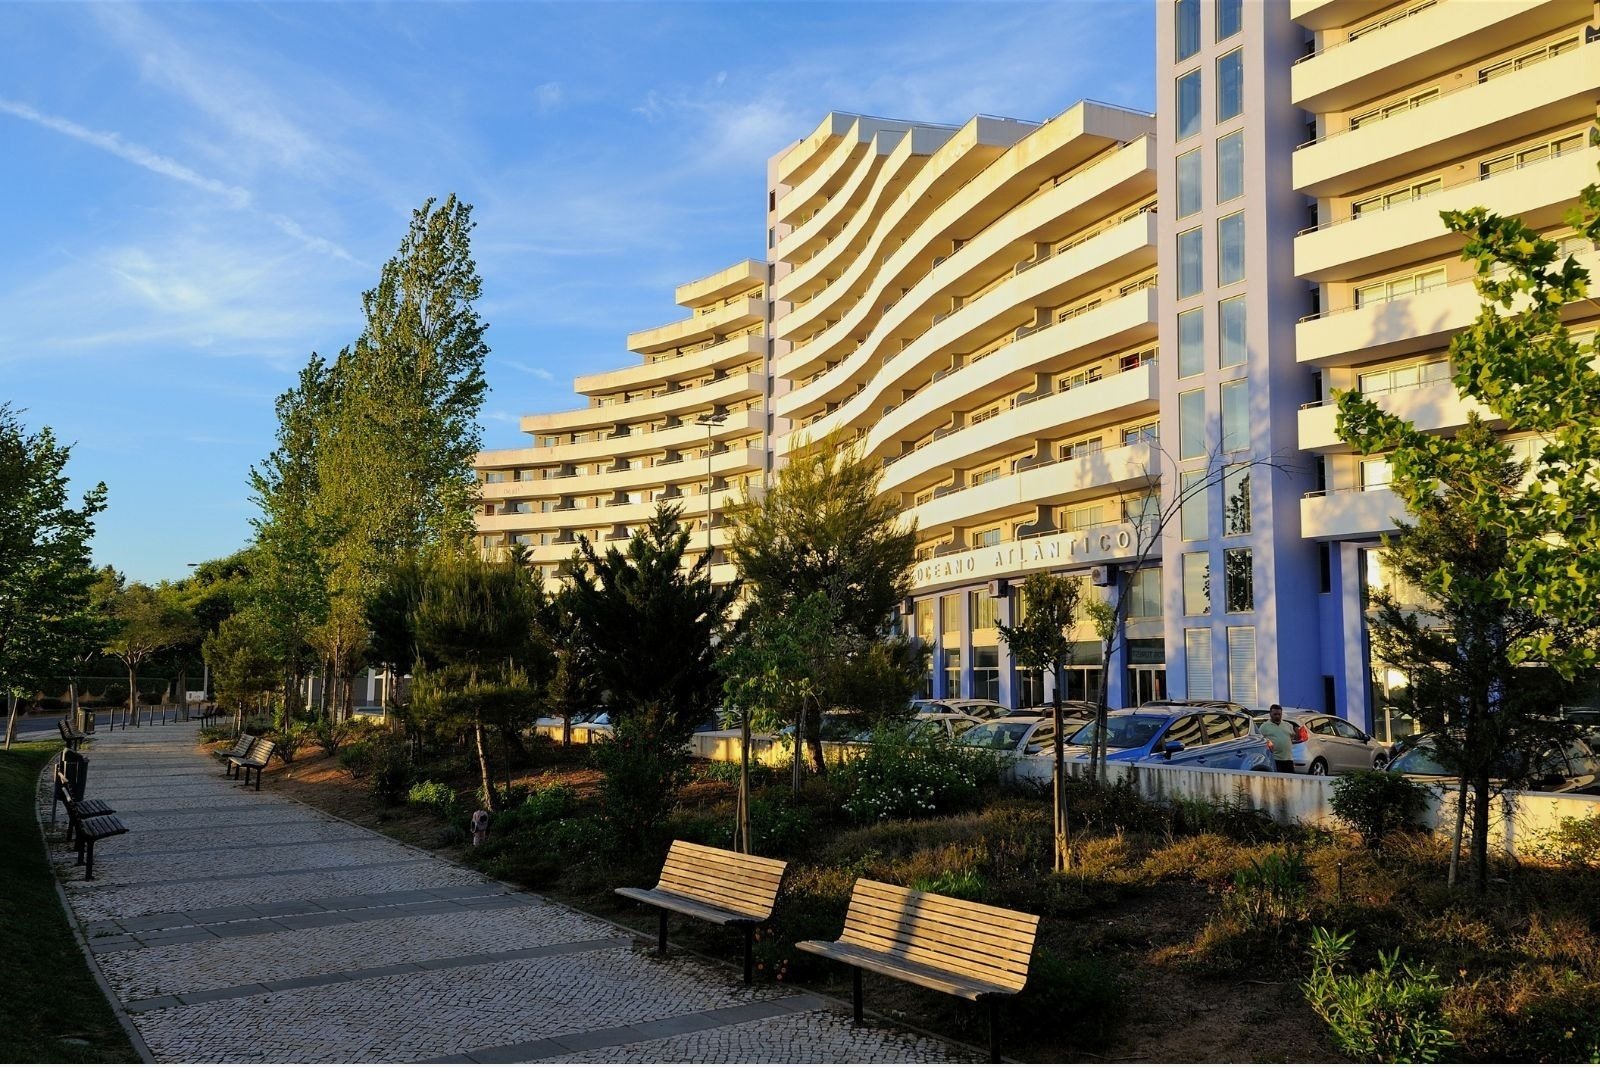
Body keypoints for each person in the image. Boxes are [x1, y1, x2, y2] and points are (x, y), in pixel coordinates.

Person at [1259, 703, 1296, 774]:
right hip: (1274, 760)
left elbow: (1293, 738)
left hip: (1288, 759)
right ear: (1270, 714)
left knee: (1290, 781)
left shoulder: (1287, 725)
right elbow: (1260, 740)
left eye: (1279, 714)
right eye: (1275, 714)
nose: (1277, 716)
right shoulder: (1264, 726)